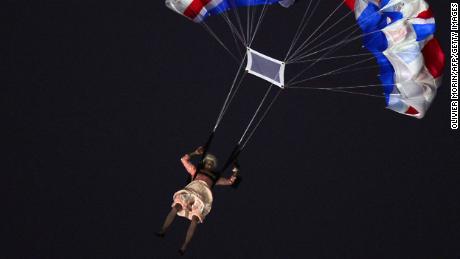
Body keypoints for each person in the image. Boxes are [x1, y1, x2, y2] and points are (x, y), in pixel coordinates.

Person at [156, 146, 240, 255]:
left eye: (211, 163)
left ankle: (184, 245)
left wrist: (235, 170)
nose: (209, 164)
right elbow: (183, 159)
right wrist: (195, 153)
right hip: (190, 192)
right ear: (204, 164)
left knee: (195, 219)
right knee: (176, 206)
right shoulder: (195, 171)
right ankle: (163, 230)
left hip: (202, 197)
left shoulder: (214, 178)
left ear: (213, 166)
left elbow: (230, 181)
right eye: (208, 162)